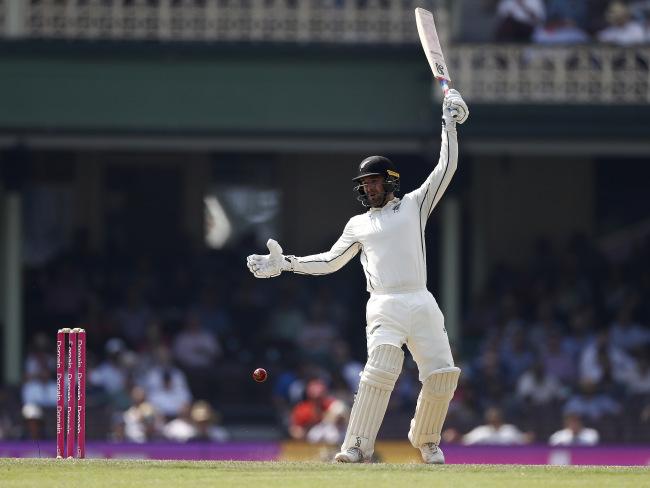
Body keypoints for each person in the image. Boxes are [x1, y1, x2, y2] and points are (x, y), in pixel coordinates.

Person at [246, 89, 469, 464]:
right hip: (383, 304)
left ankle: (427, 440)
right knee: (381, 368)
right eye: (364, 183)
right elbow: (331, 262)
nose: (368, 188)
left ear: (390, 181)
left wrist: (449, 123)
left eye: (374, 181)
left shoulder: (414, 206)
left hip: (421, 299)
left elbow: (445, 169)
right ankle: (356, 446)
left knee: (443, 374)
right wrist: (286, 263)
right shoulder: (358, 224)